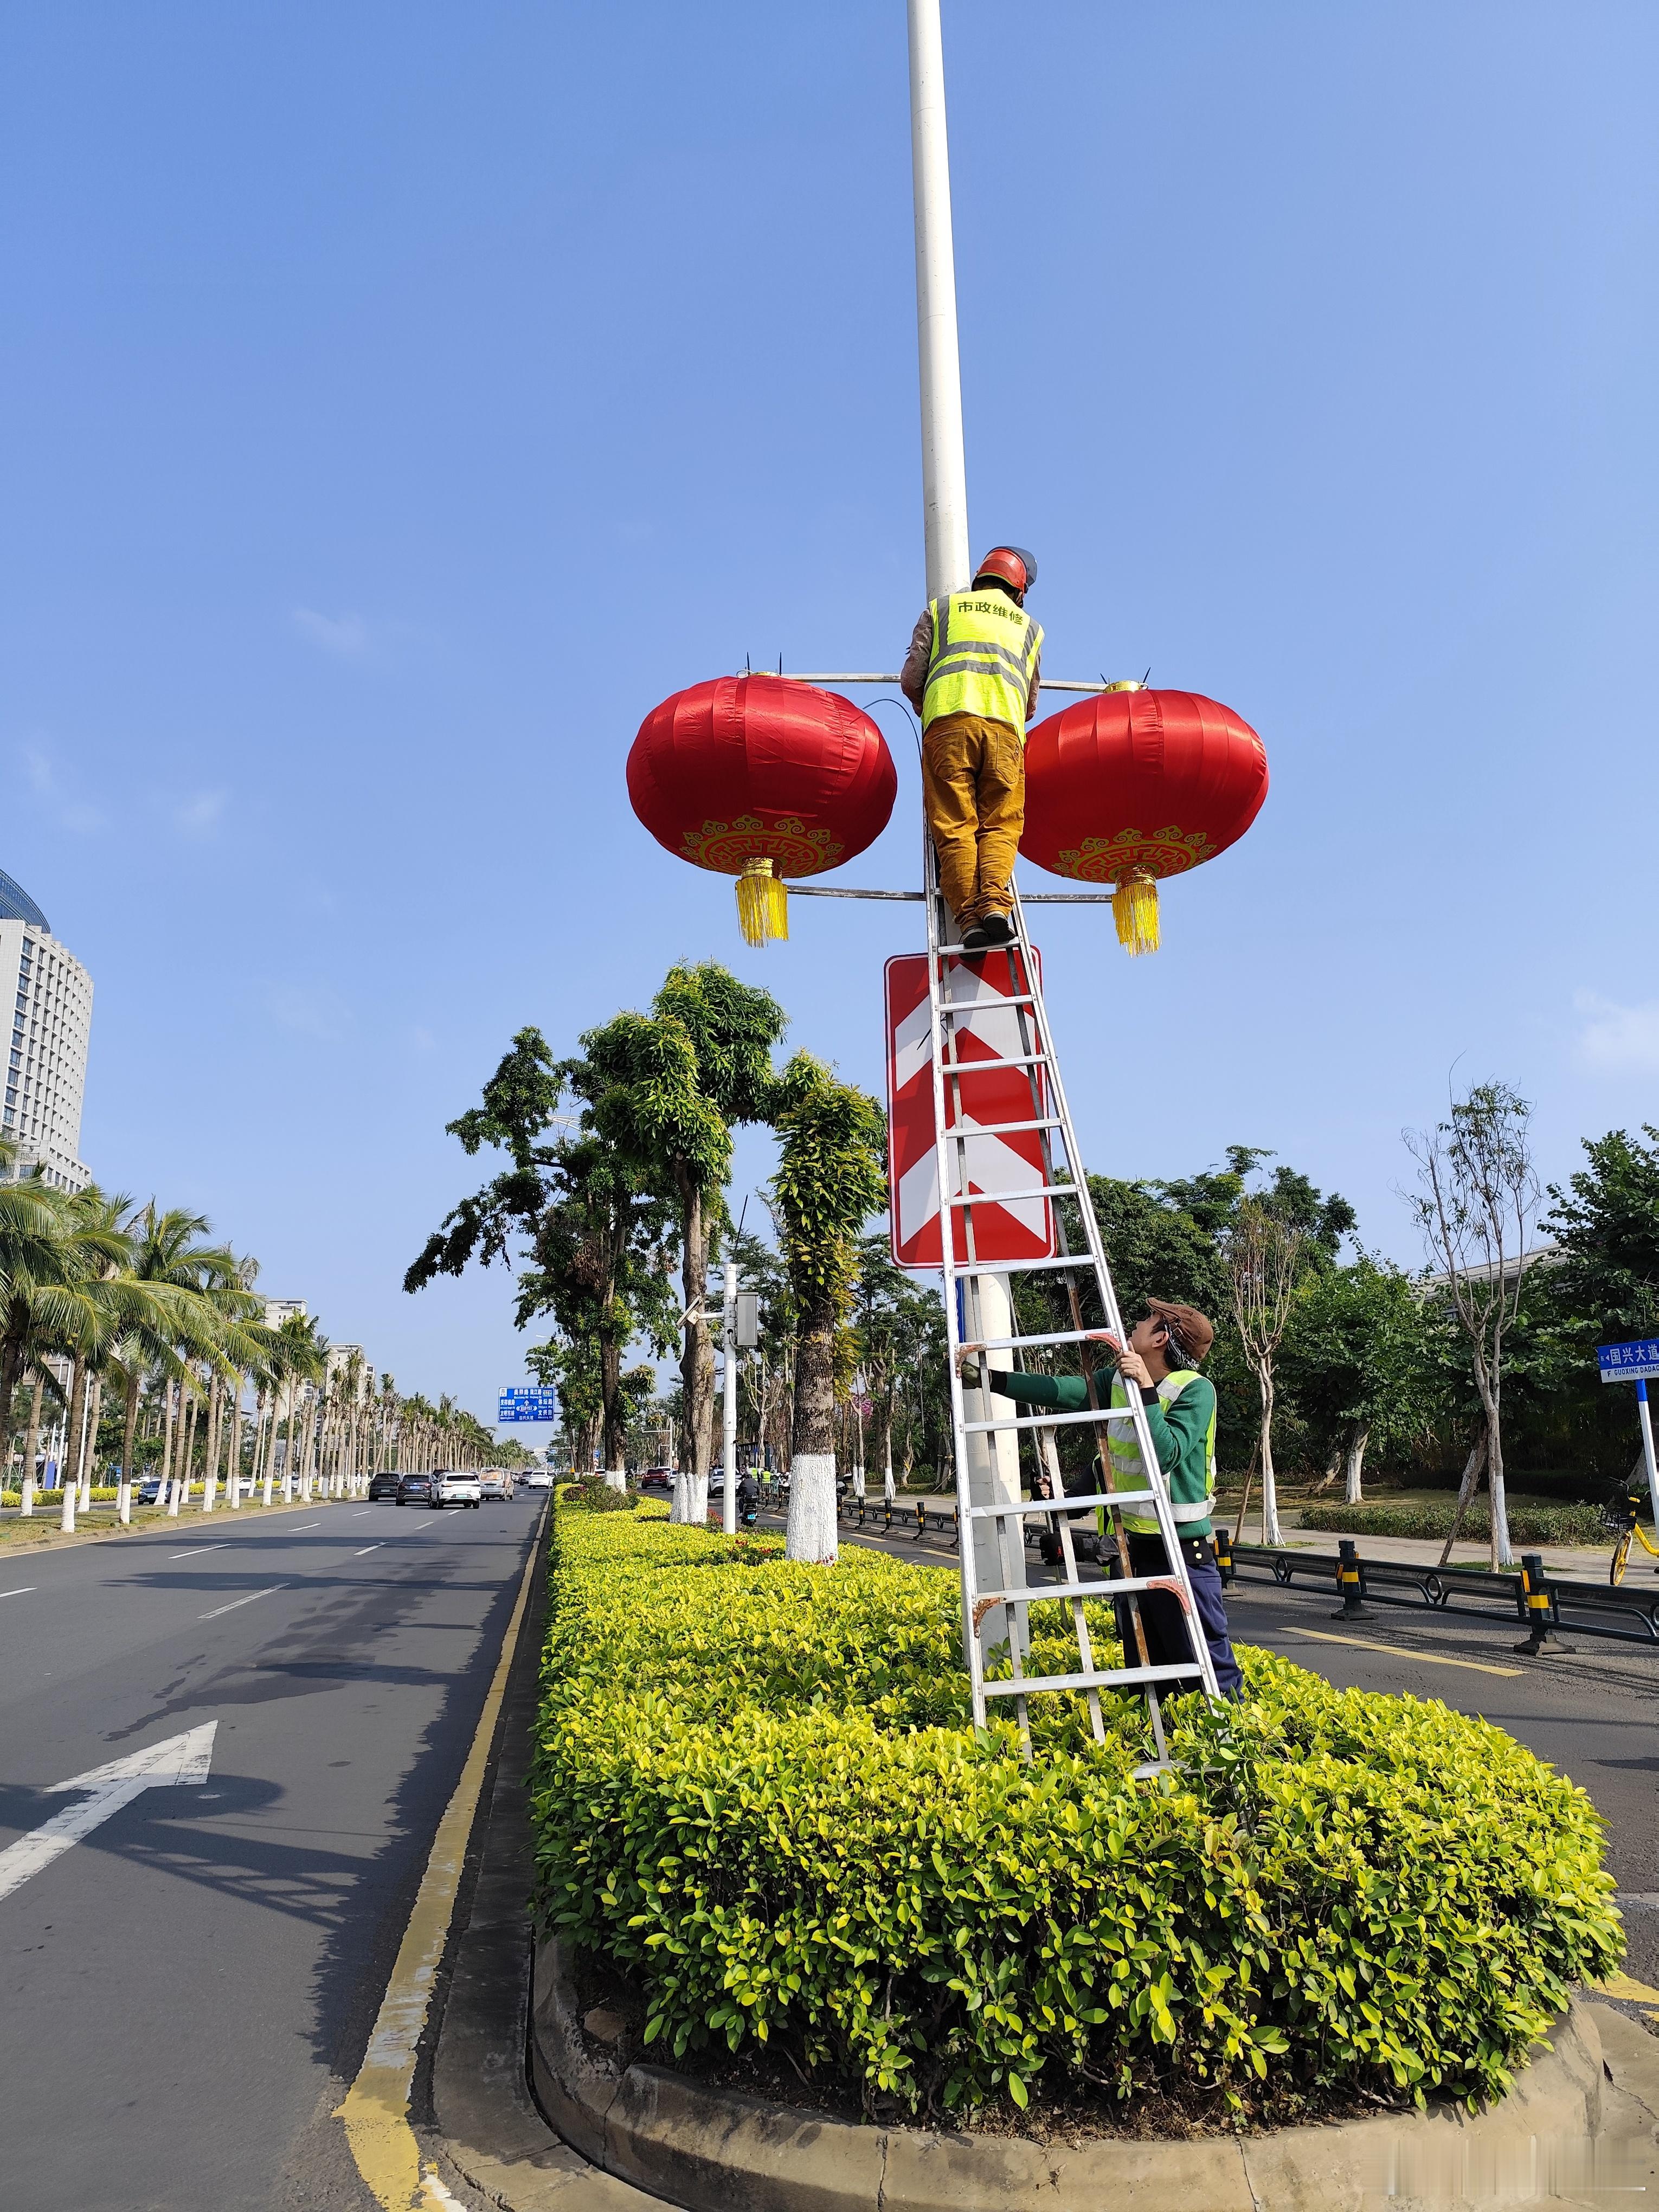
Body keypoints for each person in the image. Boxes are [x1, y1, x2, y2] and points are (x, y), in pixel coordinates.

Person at [959, 1299, 1243, 1696]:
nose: (1137, 1322)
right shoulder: (1116, 1384)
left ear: (1160, 1338)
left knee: (1204, 1659)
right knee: (1145, 1663)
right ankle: (1157, 1739)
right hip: (1133, 1551)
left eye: (1147, 1319)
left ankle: (1229, 1741)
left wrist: (1145, 1390)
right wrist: (990, 1378)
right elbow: (1066, 1393)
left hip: (1181, 1550)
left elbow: (1165, 1454)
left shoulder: (1195, 1391)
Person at [900, 545, 1044, 949]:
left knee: (954, 824)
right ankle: (996, 905)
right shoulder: (1030, 628)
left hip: (948, 726)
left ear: (980, 578)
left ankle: (969, 920)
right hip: (1004, 734)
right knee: (1000, 823)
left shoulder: (943, 609)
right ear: (1020, 592)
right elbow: (1031, 703)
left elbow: (912, 679)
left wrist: (926, 702)